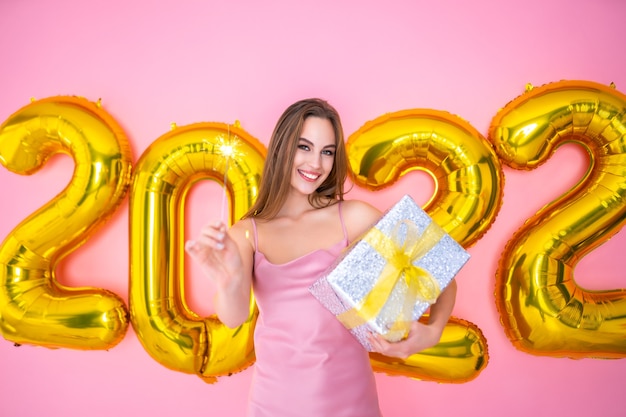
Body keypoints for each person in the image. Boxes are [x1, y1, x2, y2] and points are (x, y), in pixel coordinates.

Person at [185, 98, 457, 417]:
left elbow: (442, 271)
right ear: (282, 147)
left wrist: (433, 331)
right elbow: (233, 317)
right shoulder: (246, 234)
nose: (316, 163)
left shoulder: (352, 217)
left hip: (351, 403)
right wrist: (228, 280)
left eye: (327, 151)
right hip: (275, 405)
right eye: (304, 146)